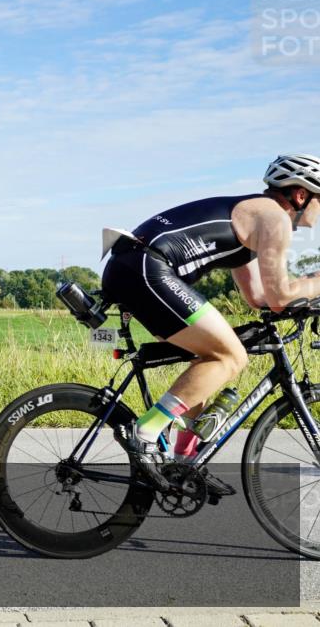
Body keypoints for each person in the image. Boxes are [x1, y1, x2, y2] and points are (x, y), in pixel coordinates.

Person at [100, 154, 320, 490]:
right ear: (301, 195)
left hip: (133, 267)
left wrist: (305, 298)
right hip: (147, 268)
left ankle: (185, 462)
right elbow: (280, 297)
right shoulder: (274, 218)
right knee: (229, 356)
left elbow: (259, 299)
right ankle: (144, 430)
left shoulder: (254, 217)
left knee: (213, 356)